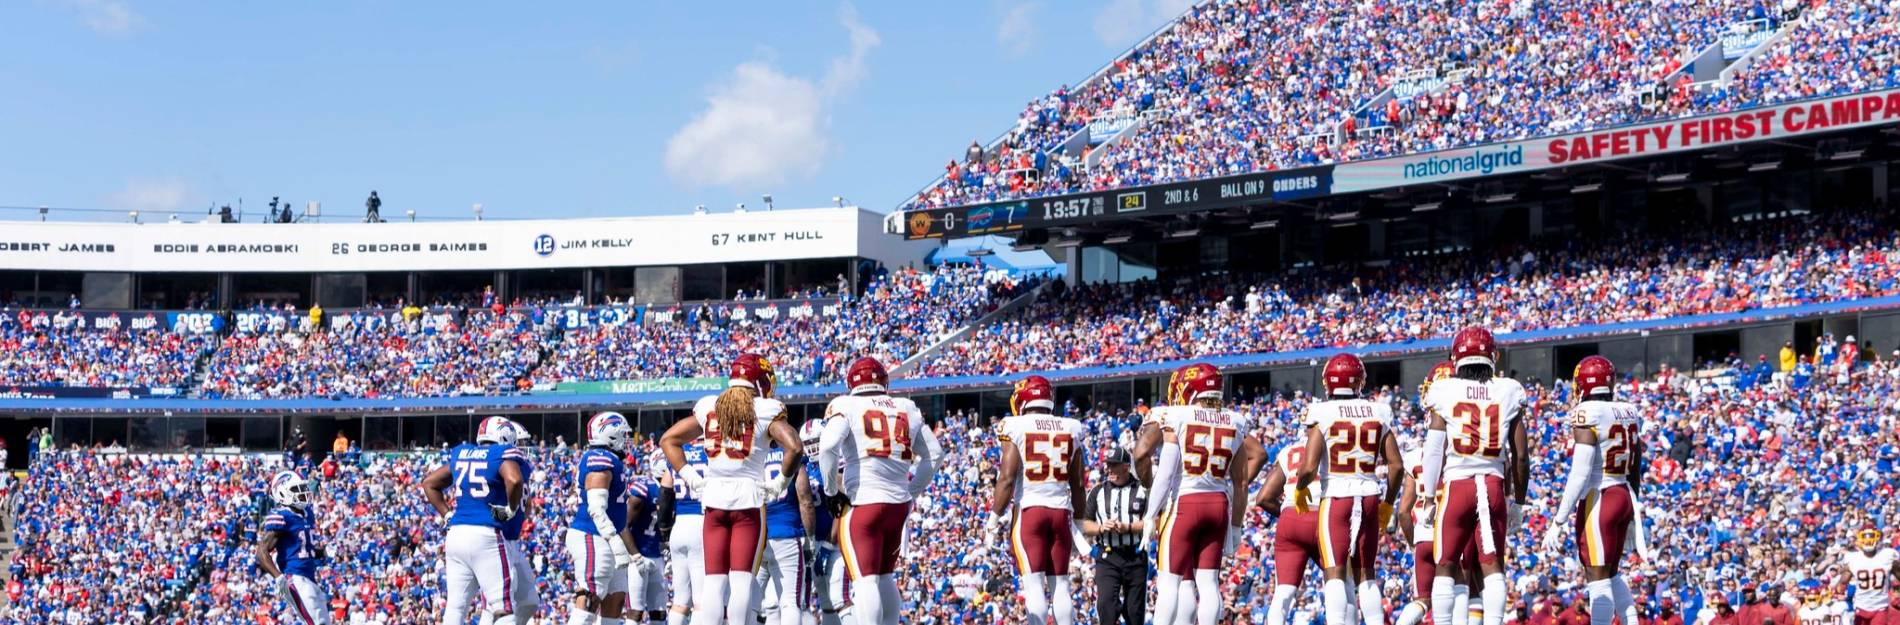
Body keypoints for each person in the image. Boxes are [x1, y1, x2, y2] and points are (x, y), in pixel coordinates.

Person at [661, 353, 805, 625]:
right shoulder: (765, 408)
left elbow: (669, 439)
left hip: (714, 499)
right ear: (759, 381)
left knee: (714, 581)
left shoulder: (709, 405)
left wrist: (691, 477)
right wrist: (780, 483)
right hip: (748, 499)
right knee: (741, 581)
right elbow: (795, 446)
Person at [1140, 362, 1268, 625]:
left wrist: (1150, 515)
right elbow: (1241, 482)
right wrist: (1235, 527)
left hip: (1186, 502)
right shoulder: (1235, 421)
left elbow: (1164, 475)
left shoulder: (1177, 417)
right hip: (1219, 504)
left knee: (1169, 581)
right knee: (1208, 582)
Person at [817, 356, 942, 625]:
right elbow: (935, 454)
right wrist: (912, 490)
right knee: (885, 575)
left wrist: (830, 491)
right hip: (897, 504)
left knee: (865, 579)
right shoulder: (905, 406)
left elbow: (827, 448)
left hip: (863, 502)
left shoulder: (846, 404)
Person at [1419, 327, 1530, 625]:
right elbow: (1520, 454)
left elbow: (1433, 450)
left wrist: (1429, 497)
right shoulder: (1508, 390)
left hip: (1457, 485)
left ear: (1456, 356)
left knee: (1445, 564)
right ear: (1492, 356)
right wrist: (1518, 500)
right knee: (1493, 566)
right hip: (1493, 485)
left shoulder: (1445, 390)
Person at [1295, 353, 1404, 625]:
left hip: (1336, 496)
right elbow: (1397, 466)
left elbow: (1308, 467)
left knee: (1334, 572)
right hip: (1368, 493)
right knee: (1366, 573)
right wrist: (1388, 503)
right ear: (1360, 381)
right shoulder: (1378, 410)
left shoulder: (1321, 411)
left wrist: (1300, 489)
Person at [1543, 356, 1644, 625]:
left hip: (1601, 497)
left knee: (1597, 577)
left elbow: (1580, 473)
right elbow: (1635, 464)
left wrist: (1558, 520)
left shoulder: (1587, 413)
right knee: (1611, 573)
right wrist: (1634, 508)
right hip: (1623, 493)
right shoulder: (1629, 411)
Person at [987, 375, 1089, 625]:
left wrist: (993, 519)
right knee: (1061, 585)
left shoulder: (1015, 425)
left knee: (1034, 585)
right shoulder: (1071, 427)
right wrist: (1078, 522)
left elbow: (1007, 478)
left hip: (1030, 511)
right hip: (1061, 513)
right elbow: (1078, 483)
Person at [421, 416, 529, 625]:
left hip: (456, 534)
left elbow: (429, 483)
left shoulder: (462, 452)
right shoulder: (502, 453)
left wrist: (446, 513)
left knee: (455, 607)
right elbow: (515, 480)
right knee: (502, 606)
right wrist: (511, 509)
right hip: (486, 534)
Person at [1397, 361, 1458, 625]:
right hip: (1454, 529)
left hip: (1423, 532)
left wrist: (1414, 541)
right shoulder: (1464, 452)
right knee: (1466, 593)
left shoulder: (1414, 456)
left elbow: (1403, 512)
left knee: (1423, 599)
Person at [1252, 420, 1324, 625]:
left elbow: (1263, 497)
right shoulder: (1330, 444)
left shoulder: (1289, 450)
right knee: (1341, 583)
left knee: (1283, 591)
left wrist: (1286, 513)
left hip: (1291, 516)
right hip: (1322, 515)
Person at [568, 412, 637, 625]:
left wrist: (632, 552)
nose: (628, 440)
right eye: (623, 435)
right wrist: (614, 540)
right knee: (590, 596)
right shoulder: (601, 457)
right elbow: (596, 508)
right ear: (609, 434)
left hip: (607, 536)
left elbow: (618, 516)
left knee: (616, 600)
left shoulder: (613, 460)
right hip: (594, 534)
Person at [752, 443, 816, 625]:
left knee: (750, 602)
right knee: (790, 603)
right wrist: (810, 539)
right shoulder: (791, 454)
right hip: (787, 535)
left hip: (756, 536)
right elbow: (805, 500)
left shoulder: (751, 455)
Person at [255, 470, 330, 625]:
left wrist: (321, 552)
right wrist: (278, 577)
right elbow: (261, 551)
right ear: (282, 494)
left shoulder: (306, 514)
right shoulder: (283, 516)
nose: (302, 493)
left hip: (309, 577)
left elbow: (300, 549)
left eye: (302, 488)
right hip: (295, 577)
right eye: (296, 490)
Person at [1084, 447, 1147, 625]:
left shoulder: (1142, 490)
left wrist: (1128, 527)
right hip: (1108, 556)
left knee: (1134, 613)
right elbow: (1087, 524)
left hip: (1134, 555)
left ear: (1126, 467)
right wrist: (1101, 528)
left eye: (1113, 465)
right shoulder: (1097, 492)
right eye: (1107, 465)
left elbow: (1152, 523)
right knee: (1106, 607)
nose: (1108, 469)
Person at [799, 418, 847, 625]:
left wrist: (828, 544)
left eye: (816, 441)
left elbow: (843, 507)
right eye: (808, 443)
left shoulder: (837, 461)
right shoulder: (802, 466)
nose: (813, 447)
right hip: (811, 541)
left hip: (836, 539)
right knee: (823, 599)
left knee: (839, 597)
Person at [662, 444, 708, 625]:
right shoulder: (713, 450)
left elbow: (664, 494)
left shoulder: (679, 451)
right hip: (702, 522)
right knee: (701, 600)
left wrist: (665, 530)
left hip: (679, 525)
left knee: (680, 600)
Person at [628, 453, 670, 624]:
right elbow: (625, 524)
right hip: (639, 554)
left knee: (659, 612)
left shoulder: (671, 489)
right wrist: (634, 554)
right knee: (635, 611)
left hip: (657, 555)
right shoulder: (644, 488)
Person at [1837, 526, 1898, 625]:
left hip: (1880, 606)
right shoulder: (1853, 558)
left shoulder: (1887, 555)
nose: (1868, 539)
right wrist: (1840, 589)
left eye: (1871, 536)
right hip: (1861, 606)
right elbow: (1843, 581)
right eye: (1865, 536)